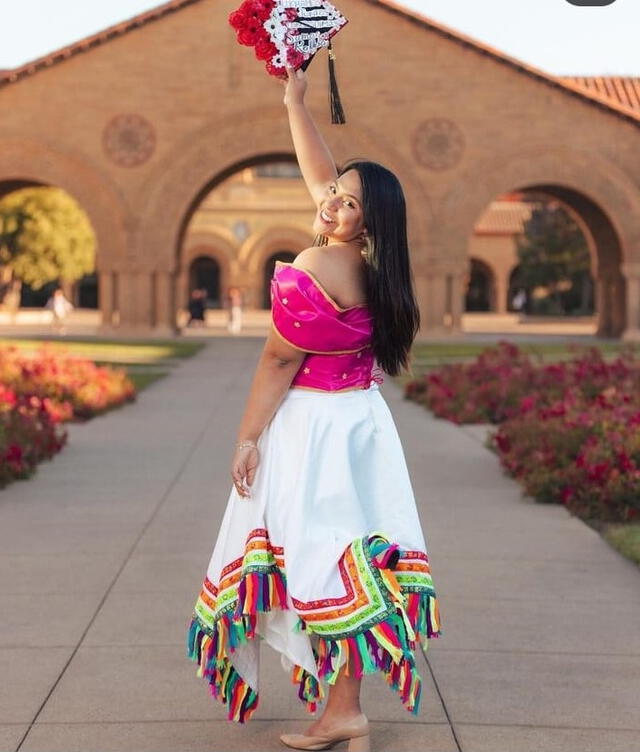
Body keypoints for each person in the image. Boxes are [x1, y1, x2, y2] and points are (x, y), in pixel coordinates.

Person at [187, 67, 441, 750]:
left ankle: (346, 710)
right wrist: (295, 102)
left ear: (368, 222)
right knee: (351, 558)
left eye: (349, 204)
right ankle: (344, 706)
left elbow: (277, 360)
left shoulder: (316, 265)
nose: (331, 204)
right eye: (334, 194)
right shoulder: (373, 265)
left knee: (324, 561)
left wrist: (246, 438)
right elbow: (325, 178)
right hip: (360, 421)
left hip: (314, 429)